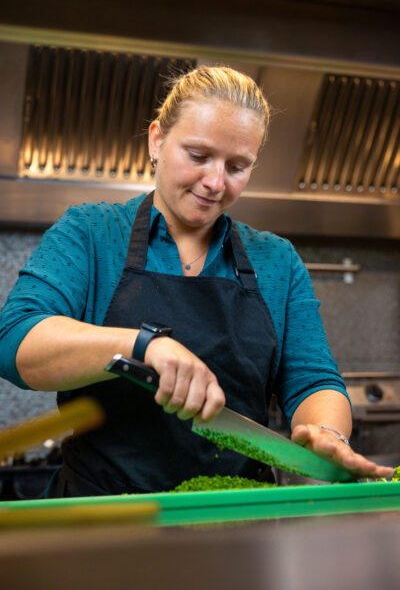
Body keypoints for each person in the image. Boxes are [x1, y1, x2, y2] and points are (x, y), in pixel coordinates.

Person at [0, 66, 393, 497]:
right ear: (156, 140)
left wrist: (326, 433)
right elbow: (15, 341)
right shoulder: (91, 233)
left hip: (235, 520)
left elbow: (313, 381)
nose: (215, 182)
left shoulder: (276, 259)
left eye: (237, 166)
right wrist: (143, 345)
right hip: (103, 519)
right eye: (199, 156)